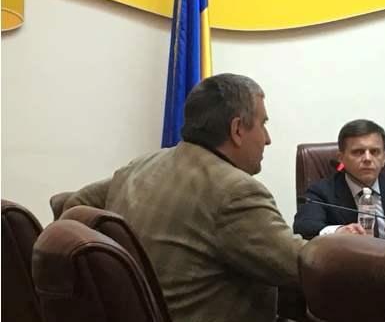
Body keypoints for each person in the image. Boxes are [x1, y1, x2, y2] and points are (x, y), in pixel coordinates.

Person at [62, 73, 304, 322]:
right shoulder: (235, 191)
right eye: (263, 124)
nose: (268, 139)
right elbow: (305, 267)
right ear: (237, 130)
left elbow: (72, 205)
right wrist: (329, 243)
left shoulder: (141, 166)